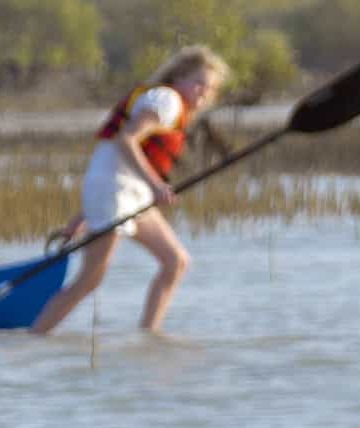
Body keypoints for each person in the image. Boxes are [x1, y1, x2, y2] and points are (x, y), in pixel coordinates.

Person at [34, 46, 225, 336]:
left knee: (176, 261)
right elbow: (126, 140)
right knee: (89, 280)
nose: (202, 92)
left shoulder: (170, 104)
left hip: (127, 193)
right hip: (119, 193)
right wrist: (157, 186)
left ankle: (149, 336)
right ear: (179, 78)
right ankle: (36, 337)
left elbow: (113, 164)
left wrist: (79, 218)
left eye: (209, 89)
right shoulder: (167, 100)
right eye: (198, 83)